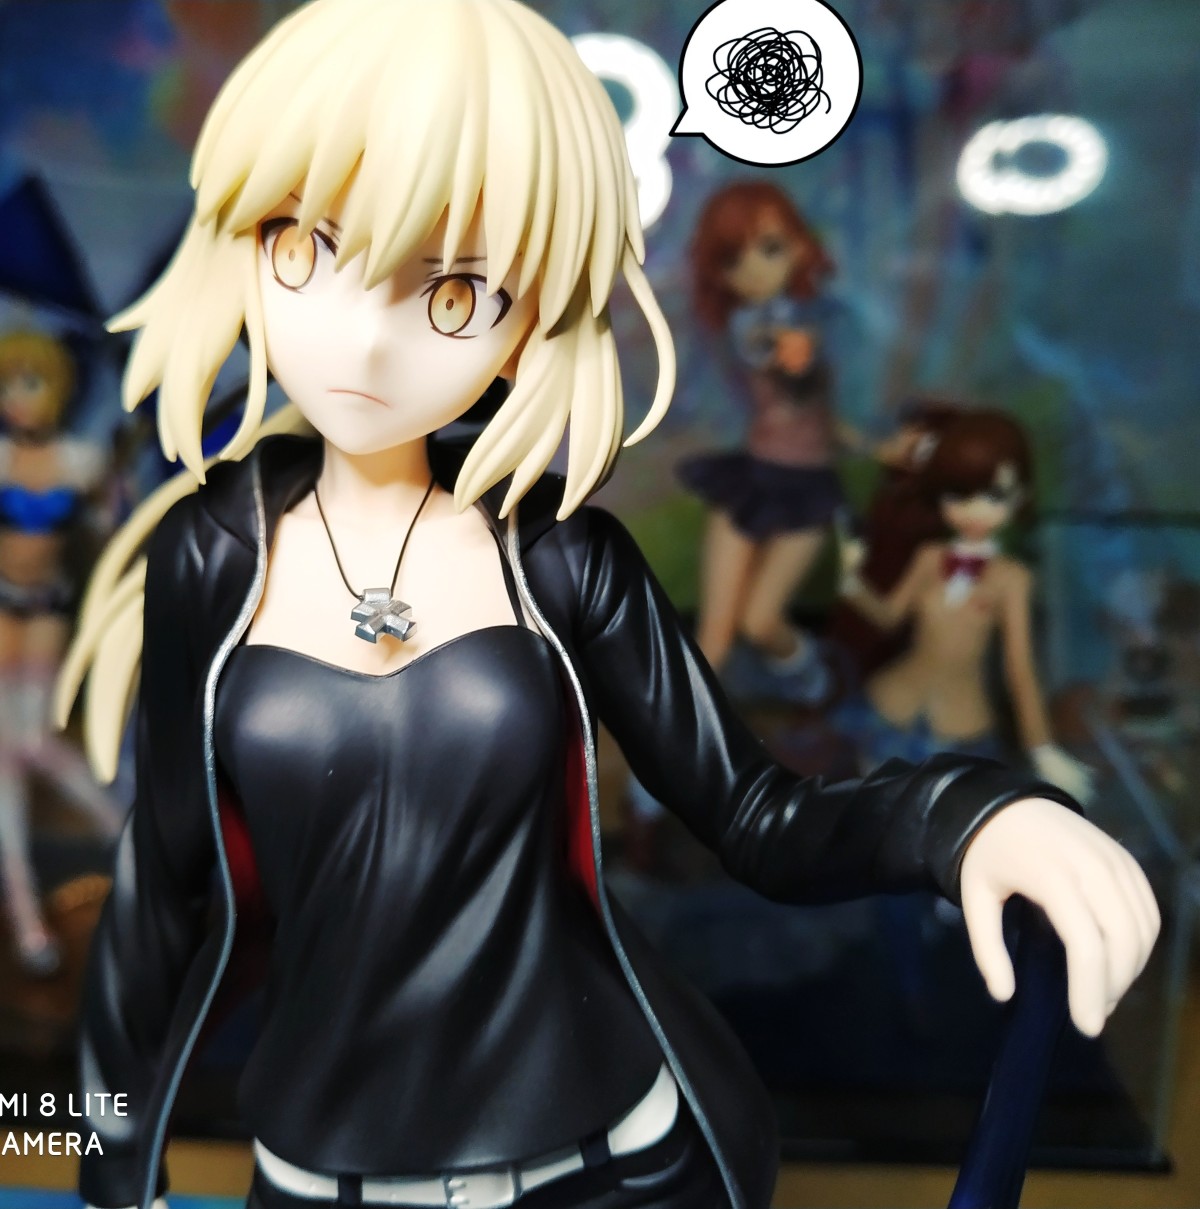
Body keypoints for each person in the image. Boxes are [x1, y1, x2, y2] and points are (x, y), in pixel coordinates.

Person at [57, 3, 1156, 1208]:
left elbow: (759, 816)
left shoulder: (564, 560)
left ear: (531, 321)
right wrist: (107, 1161)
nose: (365, 342)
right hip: (321, 1168)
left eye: (455, 292)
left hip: (610, 1161)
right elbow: (162, 886)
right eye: (307, 247)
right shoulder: (212, 560)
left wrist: (967, 817)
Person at [840, 409, 1094, 799]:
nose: (975, 511)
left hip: (959, 730)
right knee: (874, 809)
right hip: (888, 710)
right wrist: (852, 582)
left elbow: (1019, 670)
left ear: (1020, 496)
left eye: (994, 496)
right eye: (959, 495)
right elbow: (889, 617)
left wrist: (1042, 748)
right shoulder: (928, 557)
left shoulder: (1011, 578)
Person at [678, 181, 851, 705]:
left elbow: (825, 407)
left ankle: (807, 672)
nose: (753, 270)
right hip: (754, 476)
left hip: (807, 486)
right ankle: (676, 741)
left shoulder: (818, 319)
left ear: (799, 245)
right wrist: (792, 350)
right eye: (733, 259)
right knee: (715, 635)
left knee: (760, 620)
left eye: (771, 248)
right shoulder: (753, 327)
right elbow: (774, 357)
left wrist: (874, 442)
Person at [0, 328, 121, 976]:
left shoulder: (80, 459)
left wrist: (114, 498)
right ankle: (25, 912)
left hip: (47, 608)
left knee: (34, 743)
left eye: (31, 382)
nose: (17, 397)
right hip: (2, 606)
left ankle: (123, 829)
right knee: (4, 761)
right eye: (8, 385)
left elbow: (106, 529)